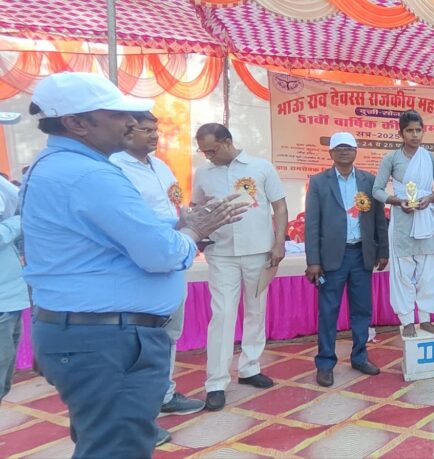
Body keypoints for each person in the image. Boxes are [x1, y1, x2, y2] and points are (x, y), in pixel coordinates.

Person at [21, 72, 243, 458]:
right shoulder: (89, 174)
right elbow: (161, 255)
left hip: (92, 335)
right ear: (76, 123)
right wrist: (193, 232)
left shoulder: (62, 165)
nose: (131, 122)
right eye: (117, 114)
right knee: (116, 449)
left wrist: (176, 227)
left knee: (103, 443)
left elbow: (119, 236)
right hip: (106, 342)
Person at [111, 112, 206, 420]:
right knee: (140, 339)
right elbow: (129, 222)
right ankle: (137, 409)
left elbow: (174, 207)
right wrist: (177, 226)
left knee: (168, 334)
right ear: (126, 131)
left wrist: (192, 222)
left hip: (172, 259)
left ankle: (163, 394)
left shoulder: (161, 166)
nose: (154, 135)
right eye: (146, 130)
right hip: (140, 267)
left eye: (155, 130)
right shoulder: (114, 168)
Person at [193, 123, 289, 411]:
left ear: (227, 142)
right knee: (222, 315)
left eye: (212, 150)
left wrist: (279, 243)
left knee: (255, 311)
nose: (208, 156)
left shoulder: (261, 167)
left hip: (259, 251)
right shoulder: (203, 173)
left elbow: (280, 206)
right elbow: (196, 208)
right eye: (203, 151)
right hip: (221, 253)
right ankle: (216, 382)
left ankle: (249, 368)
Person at [304, 132, 389, 385]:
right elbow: (312, 224)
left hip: (361, 254)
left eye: (348, 147)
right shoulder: (319, 182)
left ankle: (360, 357)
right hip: (331, 259)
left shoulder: (368, 181)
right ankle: (325, 363)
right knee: (328, 311)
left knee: (362, 310)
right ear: (331, 153)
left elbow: (379, 219)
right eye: (339, 148)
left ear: (355, 151)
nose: (344, 151)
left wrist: (382, 251)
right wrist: (313, 261)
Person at [373, 110, 434, 338]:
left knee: (430, 271)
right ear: (401, 133)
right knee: (402, 272)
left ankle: (425, 319)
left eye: (418, 130)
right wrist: (397, 201)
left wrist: (431, 198)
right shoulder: (391, 159)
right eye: (410, 131)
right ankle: (407, 320)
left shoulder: (430, 158)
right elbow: (377, 190)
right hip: (402, 221)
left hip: (427, 219)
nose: (415, 135)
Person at [0, 174, 26, 403]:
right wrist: (20, 220)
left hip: (10, 299)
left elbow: (20, 199)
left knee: (4, 381)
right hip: (3, 303)